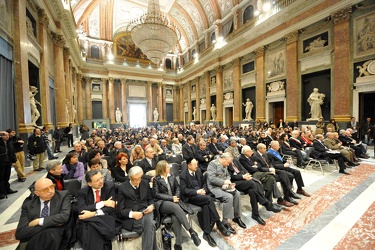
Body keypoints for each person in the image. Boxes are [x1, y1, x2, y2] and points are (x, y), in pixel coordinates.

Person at [180, 158, 230, 247]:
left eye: (197, 164)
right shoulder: (183, 175)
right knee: (209, 199)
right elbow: (184, 191)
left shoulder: (198, 171)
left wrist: (203, 190)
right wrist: (197, 192)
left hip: (202, 195)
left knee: (206, 206)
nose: (197, 166)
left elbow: (204, 183)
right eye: (195, 164)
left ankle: (206, 233)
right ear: (189, 165)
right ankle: (218, 223)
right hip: (192, 196)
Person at [153, 160, 201, 249]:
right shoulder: (156, 179)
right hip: (162, 203)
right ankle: (191, 231)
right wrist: (171, 198)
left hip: (174, 201)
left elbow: (177, 188)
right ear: (163, 168)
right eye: (167, 167)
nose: (169, 168)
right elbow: (156, 194)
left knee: (176, 217)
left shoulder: (172, 176)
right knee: (175, 207)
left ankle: (178, 244)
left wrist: (176, 197)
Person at [15, 178, 71, 249]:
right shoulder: (28, 204)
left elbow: (64, 217)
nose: (51, 191)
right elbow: (20, 233)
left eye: (52, 187)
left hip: (54, 235)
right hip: (34, 237)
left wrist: (38, 221)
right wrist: (51, 223)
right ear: (37, 193)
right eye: (45, 189)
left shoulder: (63, 196)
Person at [227, 152, 281, 225]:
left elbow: (243, 169)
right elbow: (231, 177)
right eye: (230, 157)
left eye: (232, 156)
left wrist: (246, 175)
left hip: (244, 179)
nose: (232, 158)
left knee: (252, 191)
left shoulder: (235, 160)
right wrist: (242, 177)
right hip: (235, 182)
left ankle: (255, 214)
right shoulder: (226, 164)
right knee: (253, 183)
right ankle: (266, 203)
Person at [117, 166, 157, 250]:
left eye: (139, 178)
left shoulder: (145, 183)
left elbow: (150, 199)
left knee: (149, 221)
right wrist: (132, 214)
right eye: (135, 179)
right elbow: (120, 210)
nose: (137, 181)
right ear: (130, 178)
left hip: (146, 212)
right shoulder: (122, 187)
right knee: (151, 225)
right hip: (133, 218)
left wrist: (152, 206)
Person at [206, 153, 247, 234]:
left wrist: (228, 182)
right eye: (228, 163)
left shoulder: (225, 165)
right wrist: (224, 182)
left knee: (237, 194)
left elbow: (228, 175)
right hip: (214, 187)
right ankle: (225, 221)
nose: (228, 164)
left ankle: (236, 216)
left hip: (224, 186)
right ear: (223, 159)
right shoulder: (213, 164)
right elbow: (211, 179)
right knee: (229, 197)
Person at [76, 170, 117, 250]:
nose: (101, 181)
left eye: (101, 178)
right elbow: (82, 210)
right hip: (88, 221)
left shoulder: (109, 187)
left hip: (105, 218)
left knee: (92, 231)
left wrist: (93, 213)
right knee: (92, 229)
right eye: (97, 180)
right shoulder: (83, 192)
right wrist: (103, 203)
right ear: (89, 183)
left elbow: (111, 208)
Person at [0, 131, 18, 199]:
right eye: (5, 135)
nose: (7, 136)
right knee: (1, 178)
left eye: (7, 135)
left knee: (7, 177)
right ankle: (1, 192)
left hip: (8, 162)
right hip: (1, 163)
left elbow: (12, 151)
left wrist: (14, 160)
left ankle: (7, 189)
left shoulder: (9, 142)